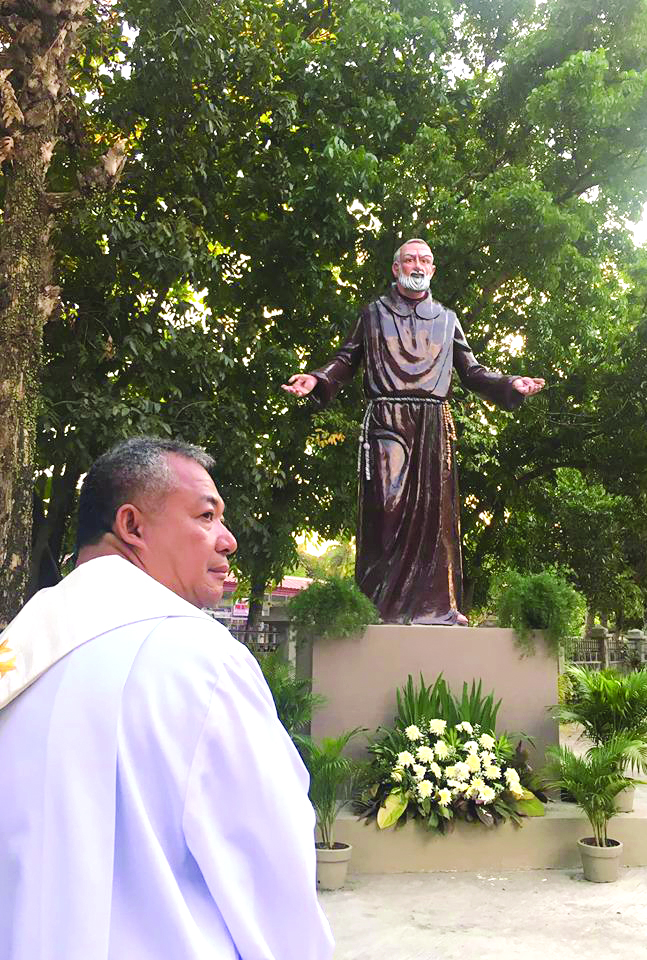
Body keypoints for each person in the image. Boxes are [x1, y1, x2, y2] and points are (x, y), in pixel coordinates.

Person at [0, 437, 333, 960]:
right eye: (206, 515)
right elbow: (272, 870)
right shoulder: (200, 661)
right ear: (133, 526)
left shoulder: (19, 660)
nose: (228, 540)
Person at [283, 239, 544, 626]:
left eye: (424, 260)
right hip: (388, 417)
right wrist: (317, 379)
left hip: (435, 422)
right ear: (396, 268)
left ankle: (436, 609)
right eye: (409, 259)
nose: (417, 265)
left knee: (435, 516)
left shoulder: (446, 318)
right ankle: (378, 608)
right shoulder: (373, 314)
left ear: (433, 270)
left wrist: (510, 383)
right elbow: (345, 359)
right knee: (385, 507)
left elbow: (472, 371)